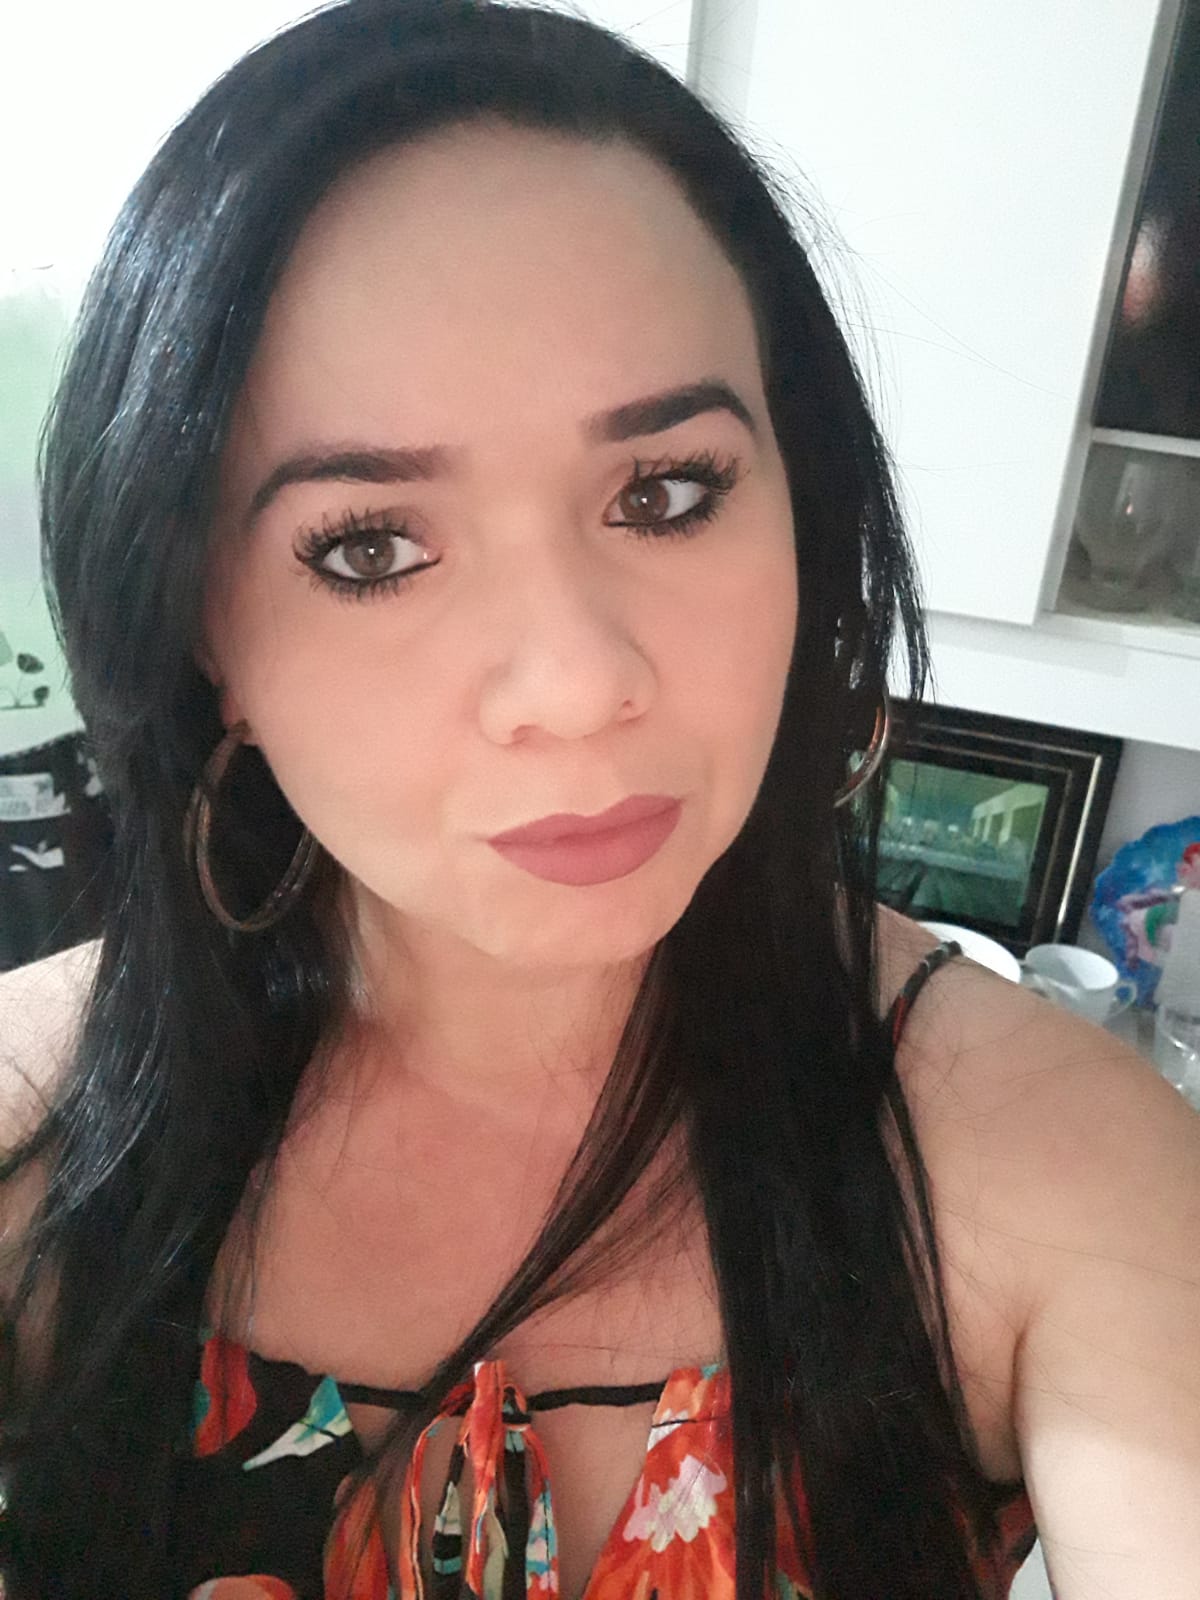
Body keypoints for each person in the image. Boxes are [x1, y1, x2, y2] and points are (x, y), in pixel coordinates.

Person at [1, 3, 1197, 1596]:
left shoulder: (1056, 1164)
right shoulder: (38, 1135)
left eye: (668, 491)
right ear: (204, 628)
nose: (576, 682)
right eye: (371, 545)